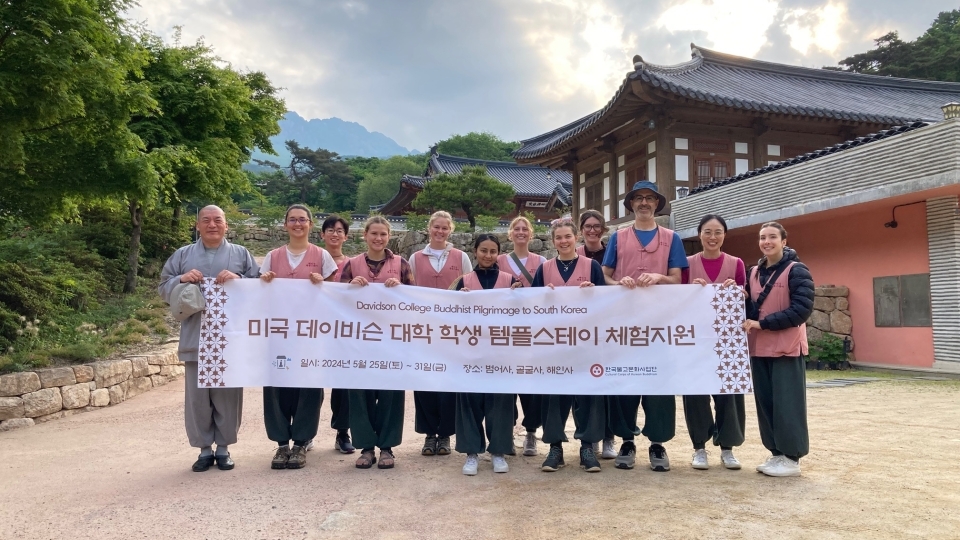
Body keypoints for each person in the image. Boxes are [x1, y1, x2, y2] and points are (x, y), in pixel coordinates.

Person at [159, 205, 258, 472]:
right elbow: (163, 285)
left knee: (227, 395)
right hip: (196, 335)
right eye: (206, 220)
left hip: (229, 339)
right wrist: (181, 278)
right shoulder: (183, 255)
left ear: (226, 225)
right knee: (198, 398)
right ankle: (204, 449)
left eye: (218, 220)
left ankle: (224, 449)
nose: (212, 225)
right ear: (197, 225)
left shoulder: (241, 254)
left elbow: (258, 285)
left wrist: (238, 278)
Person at [601, 180, 688, 472]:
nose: (644, 203)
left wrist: (659, 277)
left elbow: (677, 278)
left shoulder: (671, 238)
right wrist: (619, 282)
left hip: (659, 324)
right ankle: (627, 439)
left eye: (650, 198)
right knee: (625, 381)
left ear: (657, 204)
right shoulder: (618, 237)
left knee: (659, 383)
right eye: (638, 198)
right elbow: (605, 276)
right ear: (631, 205)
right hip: (625, 324)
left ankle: (658, 443)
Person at [258, 205, 338, 470]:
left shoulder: (322, 256)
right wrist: (265, 282)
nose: (297, 224)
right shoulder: (272, 256)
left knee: (309, 386)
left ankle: (302, 442)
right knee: (276, 385)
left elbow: (337, 295)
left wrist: (323, 284)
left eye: (302, 220)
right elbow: (259, 295)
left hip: (311, 334)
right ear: (285, 225)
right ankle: (281, 444)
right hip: (279, 333)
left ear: (310, 224)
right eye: (292, 220)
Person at [531, 218, 607, 472]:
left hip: (585, 343)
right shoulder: (545, 269)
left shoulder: (592, 266)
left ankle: (587, 447)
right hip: (554, 344)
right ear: (553, 242)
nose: (563, 241)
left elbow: (607, 303)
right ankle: (555, 447)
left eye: (568, 236)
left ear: (577, 238)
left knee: (587, 394)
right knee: (554, 395)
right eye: (559, 238)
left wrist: (593, 292)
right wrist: (543, 296)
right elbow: (531, 307)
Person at [339, 215, 414, 470]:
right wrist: (349, 287)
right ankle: (366, 447)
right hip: (359, 341)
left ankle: (387, 447)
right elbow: (336, 302)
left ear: (389, 236)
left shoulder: (401, 265)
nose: (378, 238)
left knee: (391, 393)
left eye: (383, 234)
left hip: (392, 340)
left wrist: (401, 289)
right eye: (374, 234)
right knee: (360, 394)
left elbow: (415, 302)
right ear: (365, 235)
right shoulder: (352, 264)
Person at [743, 222, 814, 477]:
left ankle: (792, 456)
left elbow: (801, 311)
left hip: (786, 348)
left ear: (784, 241)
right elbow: (751, 310)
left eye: (773, 237)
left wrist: (763, 324)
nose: (767, 242)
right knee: (766, 403)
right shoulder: (753, 272)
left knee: (788, 404)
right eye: (762, 238)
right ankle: (776, 453)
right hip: (759, 349)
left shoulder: (797, 271)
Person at [681, 214, 747, 471]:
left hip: (727, 340)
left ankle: (727, 448)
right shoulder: (686, 264)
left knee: (728, 394)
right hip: (695, 339)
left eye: (717, 232)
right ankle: (699, 448)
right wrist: (690, 289)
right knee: (695, 393)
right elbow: (674, 300)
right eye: (707, 232)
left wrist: (739, 292)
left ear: (724, 235)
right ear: (699, 235)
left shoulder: (736, 264)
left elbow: (745, 299)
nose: (712, 237)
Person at [452, 234, 520, 475]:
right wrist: (459, 300)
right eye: (483, 250)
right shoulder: (463, 281)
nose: (488, 255)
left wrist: (518, 297)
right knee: (469, 402)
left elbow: (523, 315)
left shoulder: (510, 281)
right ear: (475, 251)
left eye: (493, 251)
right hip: (470, 353)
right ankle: (472, 453)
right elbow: (450, 315)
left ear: (498, 253)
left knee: (500, 403)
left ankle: (498, 451)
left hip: (501, 354)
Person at [408, 211, 473, 457]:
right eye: (436, 227)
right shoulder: (415, 258)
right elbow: (408, 290)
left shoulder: (461, 257)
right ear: (429, 228)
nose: (440, 231)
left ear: (451, 230)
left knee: (448, 381)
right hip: (424, 329)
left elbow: (470, 285)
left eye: (445, 228)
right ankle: (429, 433)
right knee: (425, 381)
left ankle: (445, 433)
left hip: (452, 329)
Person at [496, 216, 546, 456]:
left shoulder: (542, 262)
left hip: (532, 329)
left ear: (531, 233)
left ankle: (530, 432)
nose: (521, 232)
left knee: (530, 383)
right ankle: (506, 430)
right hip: (504, 331)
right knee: (507, 382)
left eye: (525, 228)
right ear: (509, 233)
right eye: (516, 228)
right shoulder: (498, 261)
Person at [575, 209, 618, 460]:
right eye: (587, 226)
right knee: (585, 385)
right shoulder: (573, 254)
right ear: (580, 230)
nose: (592, 230)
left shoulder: (612, 253)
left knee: (608, 383)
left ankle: (609, 437)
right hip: (580, 330)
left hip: (608, 325)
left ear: (603, 229)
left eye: (596, 226)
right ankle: (587, 439)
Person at [319, 214, 355, 454]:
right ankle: (304, 433)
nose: (334, 234)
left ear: (346, 236)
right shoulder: (310, 259)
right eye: (330, 229)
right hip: (313, 328)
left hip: (344, 331)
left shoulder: (353, 264)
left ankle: (342, 431)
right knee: (309, 378)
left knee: (343, 383)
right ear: (322, 234)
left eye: (339, 230)